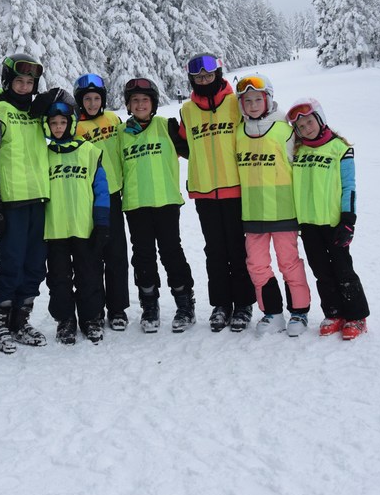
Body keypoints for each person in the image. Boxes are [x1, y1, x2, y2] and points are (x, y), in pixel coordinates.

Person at [0, 53, 56, 353]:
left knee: (35, 265)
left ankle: (20, 320)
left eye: (30, 82)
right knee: (11, 264)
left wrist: (54, 99)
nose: (24, 86)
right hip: (11, 204)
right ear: (7, 81)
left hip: (40, 200)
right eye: (19, 81)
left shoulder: (36, 113)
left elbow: (66, 121)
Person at [176, 52, 254, 332]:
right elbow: (184, 143)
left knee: (238, 248)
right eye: (198, 77)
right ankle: (221, 305)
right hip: (204, 190)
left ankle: (244, 304)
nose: (204, 80)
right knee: (215, 251)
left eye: (208, 76)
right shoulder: (187, 110)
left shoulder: (237, 103)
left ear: (218, 75)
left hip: (236, 188)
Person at [234, 75, 312, 336]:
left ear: (268, 99)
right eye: (247, 101)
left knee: (289, 263)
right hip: (253, 213)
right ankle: (272, 313)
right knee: (256, 265)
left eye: (258, 99)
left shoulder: (284, 130)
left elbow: (303, 164)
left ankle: (299, 313)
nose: (253, 105)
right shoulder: (239, 132)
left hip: (283, 211)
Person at [288, 97, 369, 340]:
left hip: (334, 223)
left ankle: (356, 316)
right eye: (300, 127)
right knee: (321, 271)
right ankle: (333, 312)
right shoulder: (298, 151)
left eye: (309, 122)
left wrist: (348, 221)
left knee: (343, 270)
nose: (306, 129)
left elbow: (349, 187)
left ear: (320, 119)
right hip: (308, 224)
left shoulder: (339, 150)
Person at [118, 77, 195, 333]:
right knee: (143, 257)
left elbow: (197, 149)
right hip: (136, 205)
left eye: (145, 100)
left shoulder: (167, 126)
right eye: (135, 100)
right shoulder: (120, 134)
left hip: (166, 204)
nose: (140, 104)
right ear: (128, 105)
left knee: (172, 253)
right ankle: (149, 305)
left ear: (154, 104)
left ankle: (185, 304)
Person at [39, 93, 111, 344]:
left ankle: (91, 319)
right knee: (59, 279)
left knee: (89, 275)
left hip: (84, 227)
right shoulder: (42, 154)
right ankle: (66, 320)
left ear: (70, 123)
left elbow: (101, 190)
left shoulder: (89, 151)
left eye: (62, 123)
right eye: (53, 123)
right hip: (55, 228)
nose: (58, 128)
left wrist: (102, 222)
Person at [73, 73, 130, 331]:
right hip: (87, 200)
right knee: (91, 256)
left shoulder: (114, 119)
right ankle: (94, 309)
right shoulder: (75, 127)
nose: (93, 103)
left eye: (97, 98)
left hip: (113, 196)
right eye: (88, 99)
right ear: (79, 101)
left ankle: (117, 309)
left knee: (116, 255)